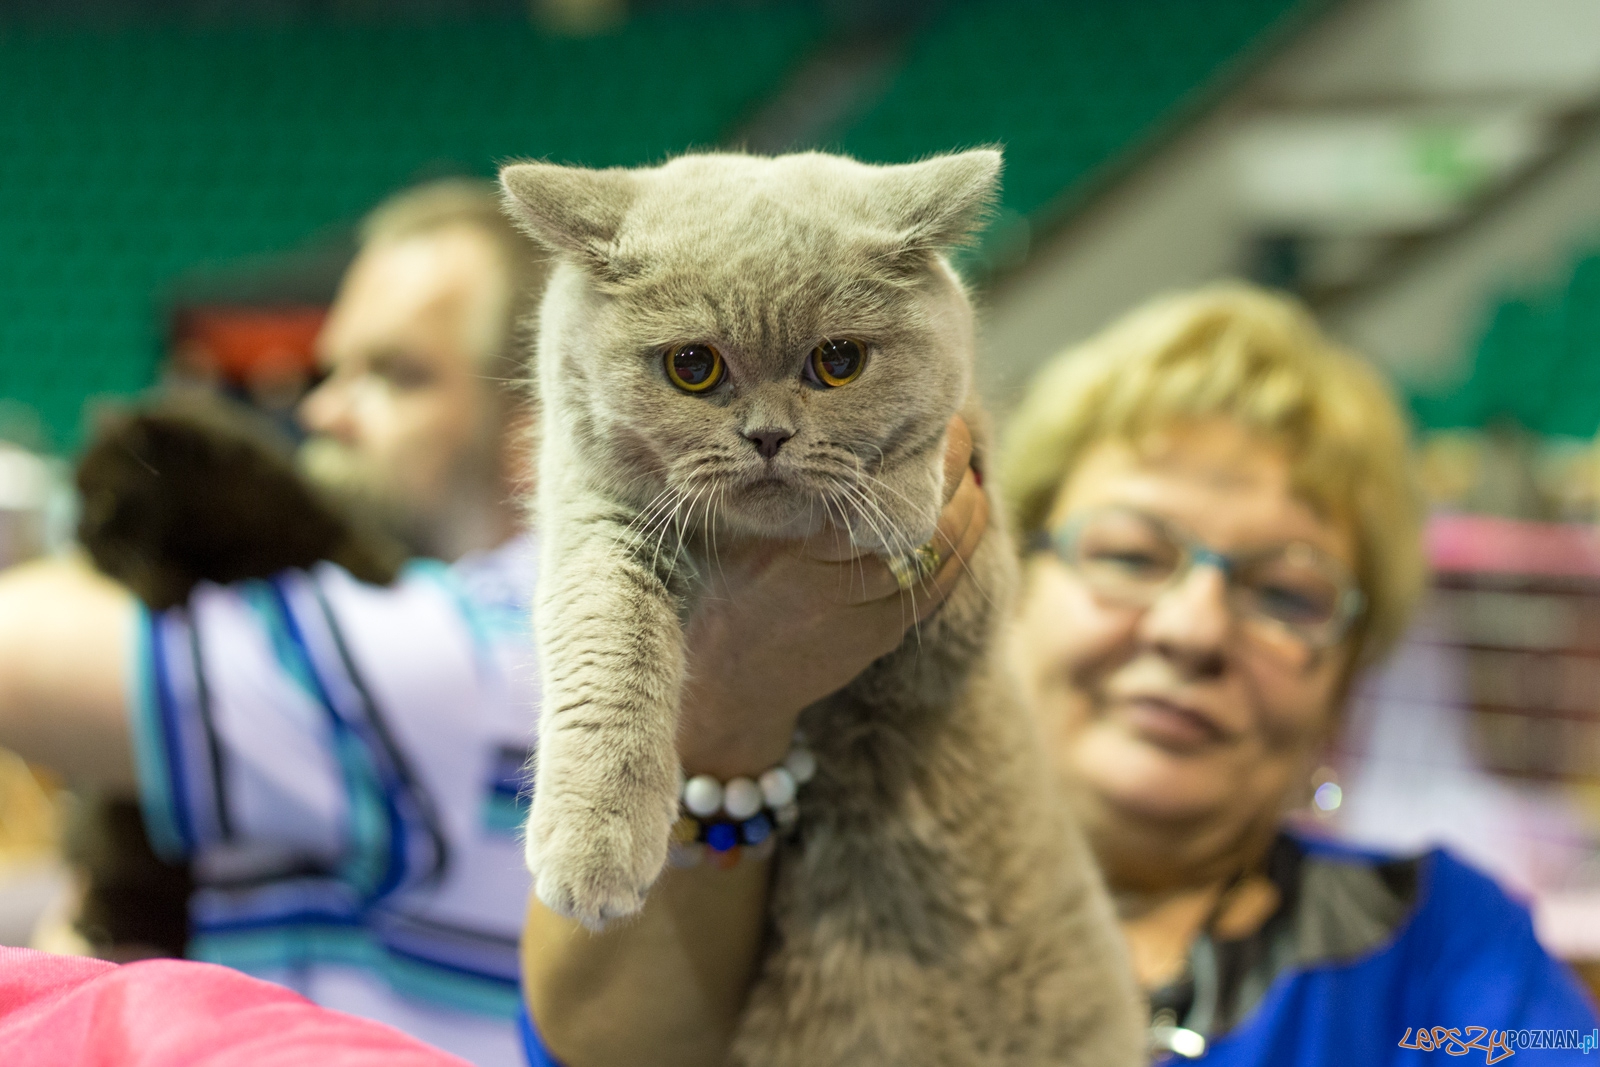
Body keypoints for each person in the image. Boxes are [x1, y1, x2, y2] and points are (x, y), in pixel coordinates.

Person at [517, 284, 1597, 1066]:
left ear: (1344, 673)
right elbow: (602, 1045)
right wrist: (722, 719)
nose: (1193, 629)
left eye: (1285, 595)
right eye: (1130, 554)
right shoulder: (801, 849)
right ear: (1004, 573)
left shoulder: (1435, 943)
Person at [0, 178, 548, 1066]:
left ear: (541, 425)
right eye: (333, 368)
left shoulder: (472, 652)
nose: (324, 410)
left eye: (395, 374)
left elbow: (15, 650)